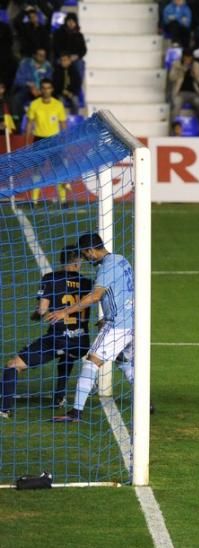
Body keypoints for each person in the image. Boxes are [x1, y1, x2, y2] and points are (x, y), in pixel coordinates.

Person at [50, 233, 135, 423]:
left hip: (118, 326)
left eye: (85, 254)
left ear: (91, 251)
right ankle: (145, 403)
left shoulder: (107, 268)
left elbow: (95, 296)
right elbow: (125, 289)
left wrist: (65, 312)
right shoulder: (121, 260)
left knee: (91, 362)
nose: (86, 259)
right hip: (132, 322)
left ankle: (75, 412)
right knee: (124, 361)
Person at [1, 246, 92, 419]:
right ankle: (59, 397)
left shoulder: (50, 278)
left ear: (61, 260)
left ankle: (3, 408)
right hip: (81, 342)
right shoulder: (87, 283)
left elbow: (42, 310)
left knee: (13, 365)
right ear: (78, 262)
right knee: (67, 356)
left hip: (57, 340)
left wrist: (36, 314)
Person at [26, 78, 67, 205]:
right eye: (43, 88)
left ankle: (63, 200)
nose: (46, 90)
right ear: (40, 89)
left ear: (52, 89)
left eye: (48, 87)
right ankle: (34, 201)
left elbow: (63, 124)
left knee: (59, 170)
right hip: (39, 140)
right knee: (37, 170)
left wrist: (65, 141)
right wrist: (28, 143)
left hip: (54, 140)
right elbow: (29, 124)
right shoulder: (34, 104)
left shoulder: (58, 105)